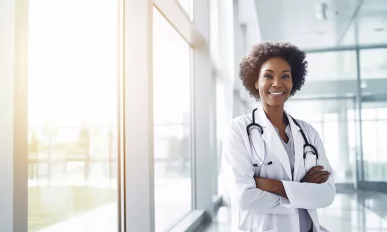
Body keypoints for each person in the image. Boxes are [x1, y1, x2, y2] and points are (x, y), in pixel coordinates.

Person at [222, 42, 335, 232]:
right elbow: (245, 197)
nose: (277, 83)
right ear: (255, 81)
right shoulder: (238, 129)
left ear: (293, 81)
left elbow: (327, 194)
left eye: (285, 76)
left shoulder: (308, 132)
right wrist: (303, 190)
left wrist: (273, 186)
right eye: (268, 76)